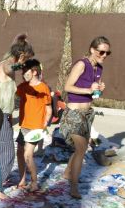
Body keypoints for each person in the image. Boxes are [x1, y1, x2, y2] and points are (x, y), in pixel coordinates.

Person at [0, 34, 34, 198]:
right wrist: (19, 64)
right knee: (7, 152)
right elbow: (9, 68)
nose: (26, 64)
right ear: (21, 55)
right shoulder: (7, 65)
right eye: (26, 59)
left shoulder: (3, 62)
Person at [62, 36, 109, 199]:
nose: (104, 55)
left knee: (79, 149)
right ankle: (74, 186)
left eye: (107, 53)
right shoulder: (82, 64)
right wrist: (89, 90)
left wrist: (98, 90)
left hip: (87, 115)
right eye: (101, 52)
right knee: (82, 149)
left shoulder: (99, 68)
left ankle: (67, 173)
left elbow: (93, 94)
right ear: (92, 50)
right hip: (73, 114)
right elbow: (67, 87)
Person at [15, 59, 52, 192]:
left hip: (36, 128)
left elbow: (48, 109)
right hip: (24, 126)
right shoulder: (22, 87)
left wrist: (45, 125)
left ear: (34, 72)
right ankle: (22, 179)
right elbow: (12, 93)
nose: (23, 73)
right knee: (20, 152)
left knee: (27, 154)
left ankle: (35, 182)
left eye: (25, 71)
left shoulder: (43, 88)